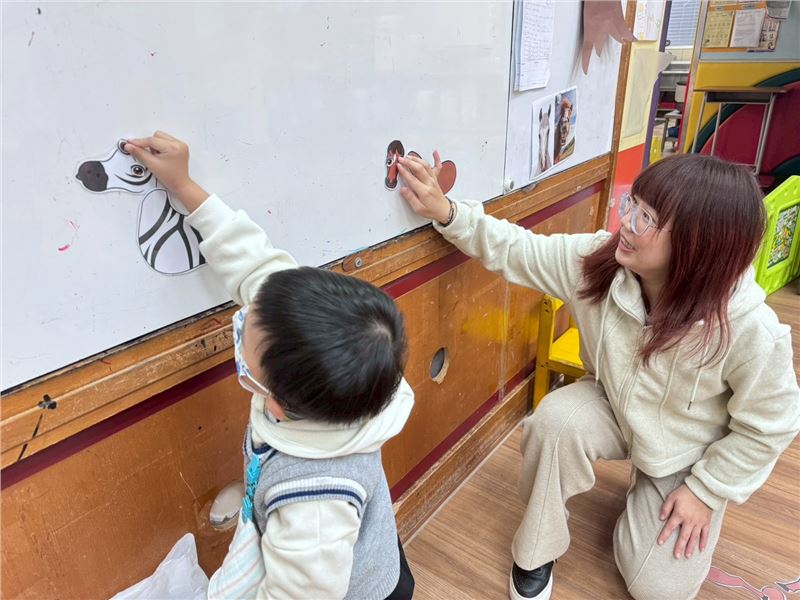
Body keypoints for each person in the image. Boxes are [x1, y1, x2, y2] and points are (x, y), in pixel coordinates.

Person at [397, 151, 799, 600]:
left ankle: (652, 493)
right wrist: (447, 213)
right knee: (555, 421)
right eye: (633, 204)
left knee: (657, 591)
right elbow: (517, 248)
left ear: (698, 245)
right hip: (612, 404)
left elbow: (771, 425)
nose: (626, 222)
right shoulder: (598, 262)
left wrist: (706, 491)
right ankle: (536, 550)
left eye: (646, 218)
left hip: (685, 451)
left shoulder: (747, 326)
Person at [124, 132, 416, 600]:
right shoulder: (345, 370)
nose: (246, 315)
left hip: (357, 589)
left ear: (275, 401)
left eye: (246, 334)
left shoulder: (312, 509)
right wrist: (184, 185)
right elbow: (255, 265)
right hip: (363, 548)